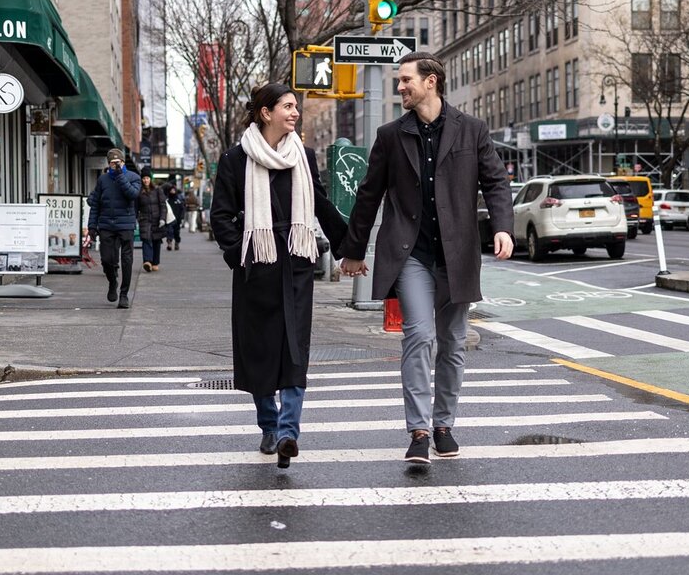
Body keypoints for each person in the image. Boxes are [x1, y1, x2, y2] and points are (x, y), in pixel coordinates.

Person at [340, 52, 513, 464]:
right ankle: (418, 431)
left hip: (457, 255)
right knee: (419, 335)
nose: (400, 86)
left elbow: (496, 182)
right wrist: (353, 251)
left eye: (406, 80)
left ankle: (443, 426)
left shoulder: (472, 130)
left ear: (430, 81)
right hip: (411, 255)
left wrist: (503, 226)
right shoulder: (390, 135)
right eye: (399, 81)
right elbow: (369, 194)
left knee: (452, 342)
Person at [211, 83, 346, 469]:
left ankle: (288, 432)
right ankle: (269, 426)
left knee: (294, 349)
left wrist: (349, 247)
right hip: (256, 264)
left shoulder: (303, 155)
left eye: (295, 107)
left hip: (296, 263)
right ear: (266, 113)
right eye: (288, 106)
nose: (295, 113)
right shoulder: (235, 159)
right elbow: (220, 216)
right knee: (260, 349)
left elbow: (320, 204)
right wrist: (240, 255)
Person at [86, 149, 142, 308]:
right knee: (107, 260)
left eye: (119, 163)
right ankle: (112, 281)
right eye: (113, 163)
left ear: (123, 162)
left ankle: (124, 294)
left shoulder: (133, 177)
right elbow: (95, 204)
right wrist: (92, 226)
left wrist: (120, 176)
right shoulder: (103, 180)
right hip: (106, 225)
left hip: (126, 225)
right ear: (108, 164)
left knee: (127, 260)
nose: (116, 165)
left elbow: (132, 194)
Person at [137, 174, 168, 272]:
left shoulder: (157, 190)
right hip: (145, 220)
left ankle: (155, 262)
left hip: (157, 219)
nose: (145, 180)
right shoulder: (139, 192)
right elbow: (135, 207)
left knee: (156, 241)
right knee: (146, 240)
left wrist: (162, 218)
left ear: (150, 179)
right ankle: (147, 262)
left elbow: (163, 205)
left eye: (147, 178)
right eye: (144, 178)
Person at [164, 183, 186, 250]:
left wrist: (181, 217)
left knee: (176, 232)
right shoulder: (167, 200)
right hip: (169, 219)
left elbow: (182, 209)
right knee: (169, 232)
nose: (172, 191)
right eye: (171, 190)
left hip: (177, 219)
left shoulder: (178, 200)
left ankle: (177, 243)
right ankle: (169, 243)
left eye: (173, 190)